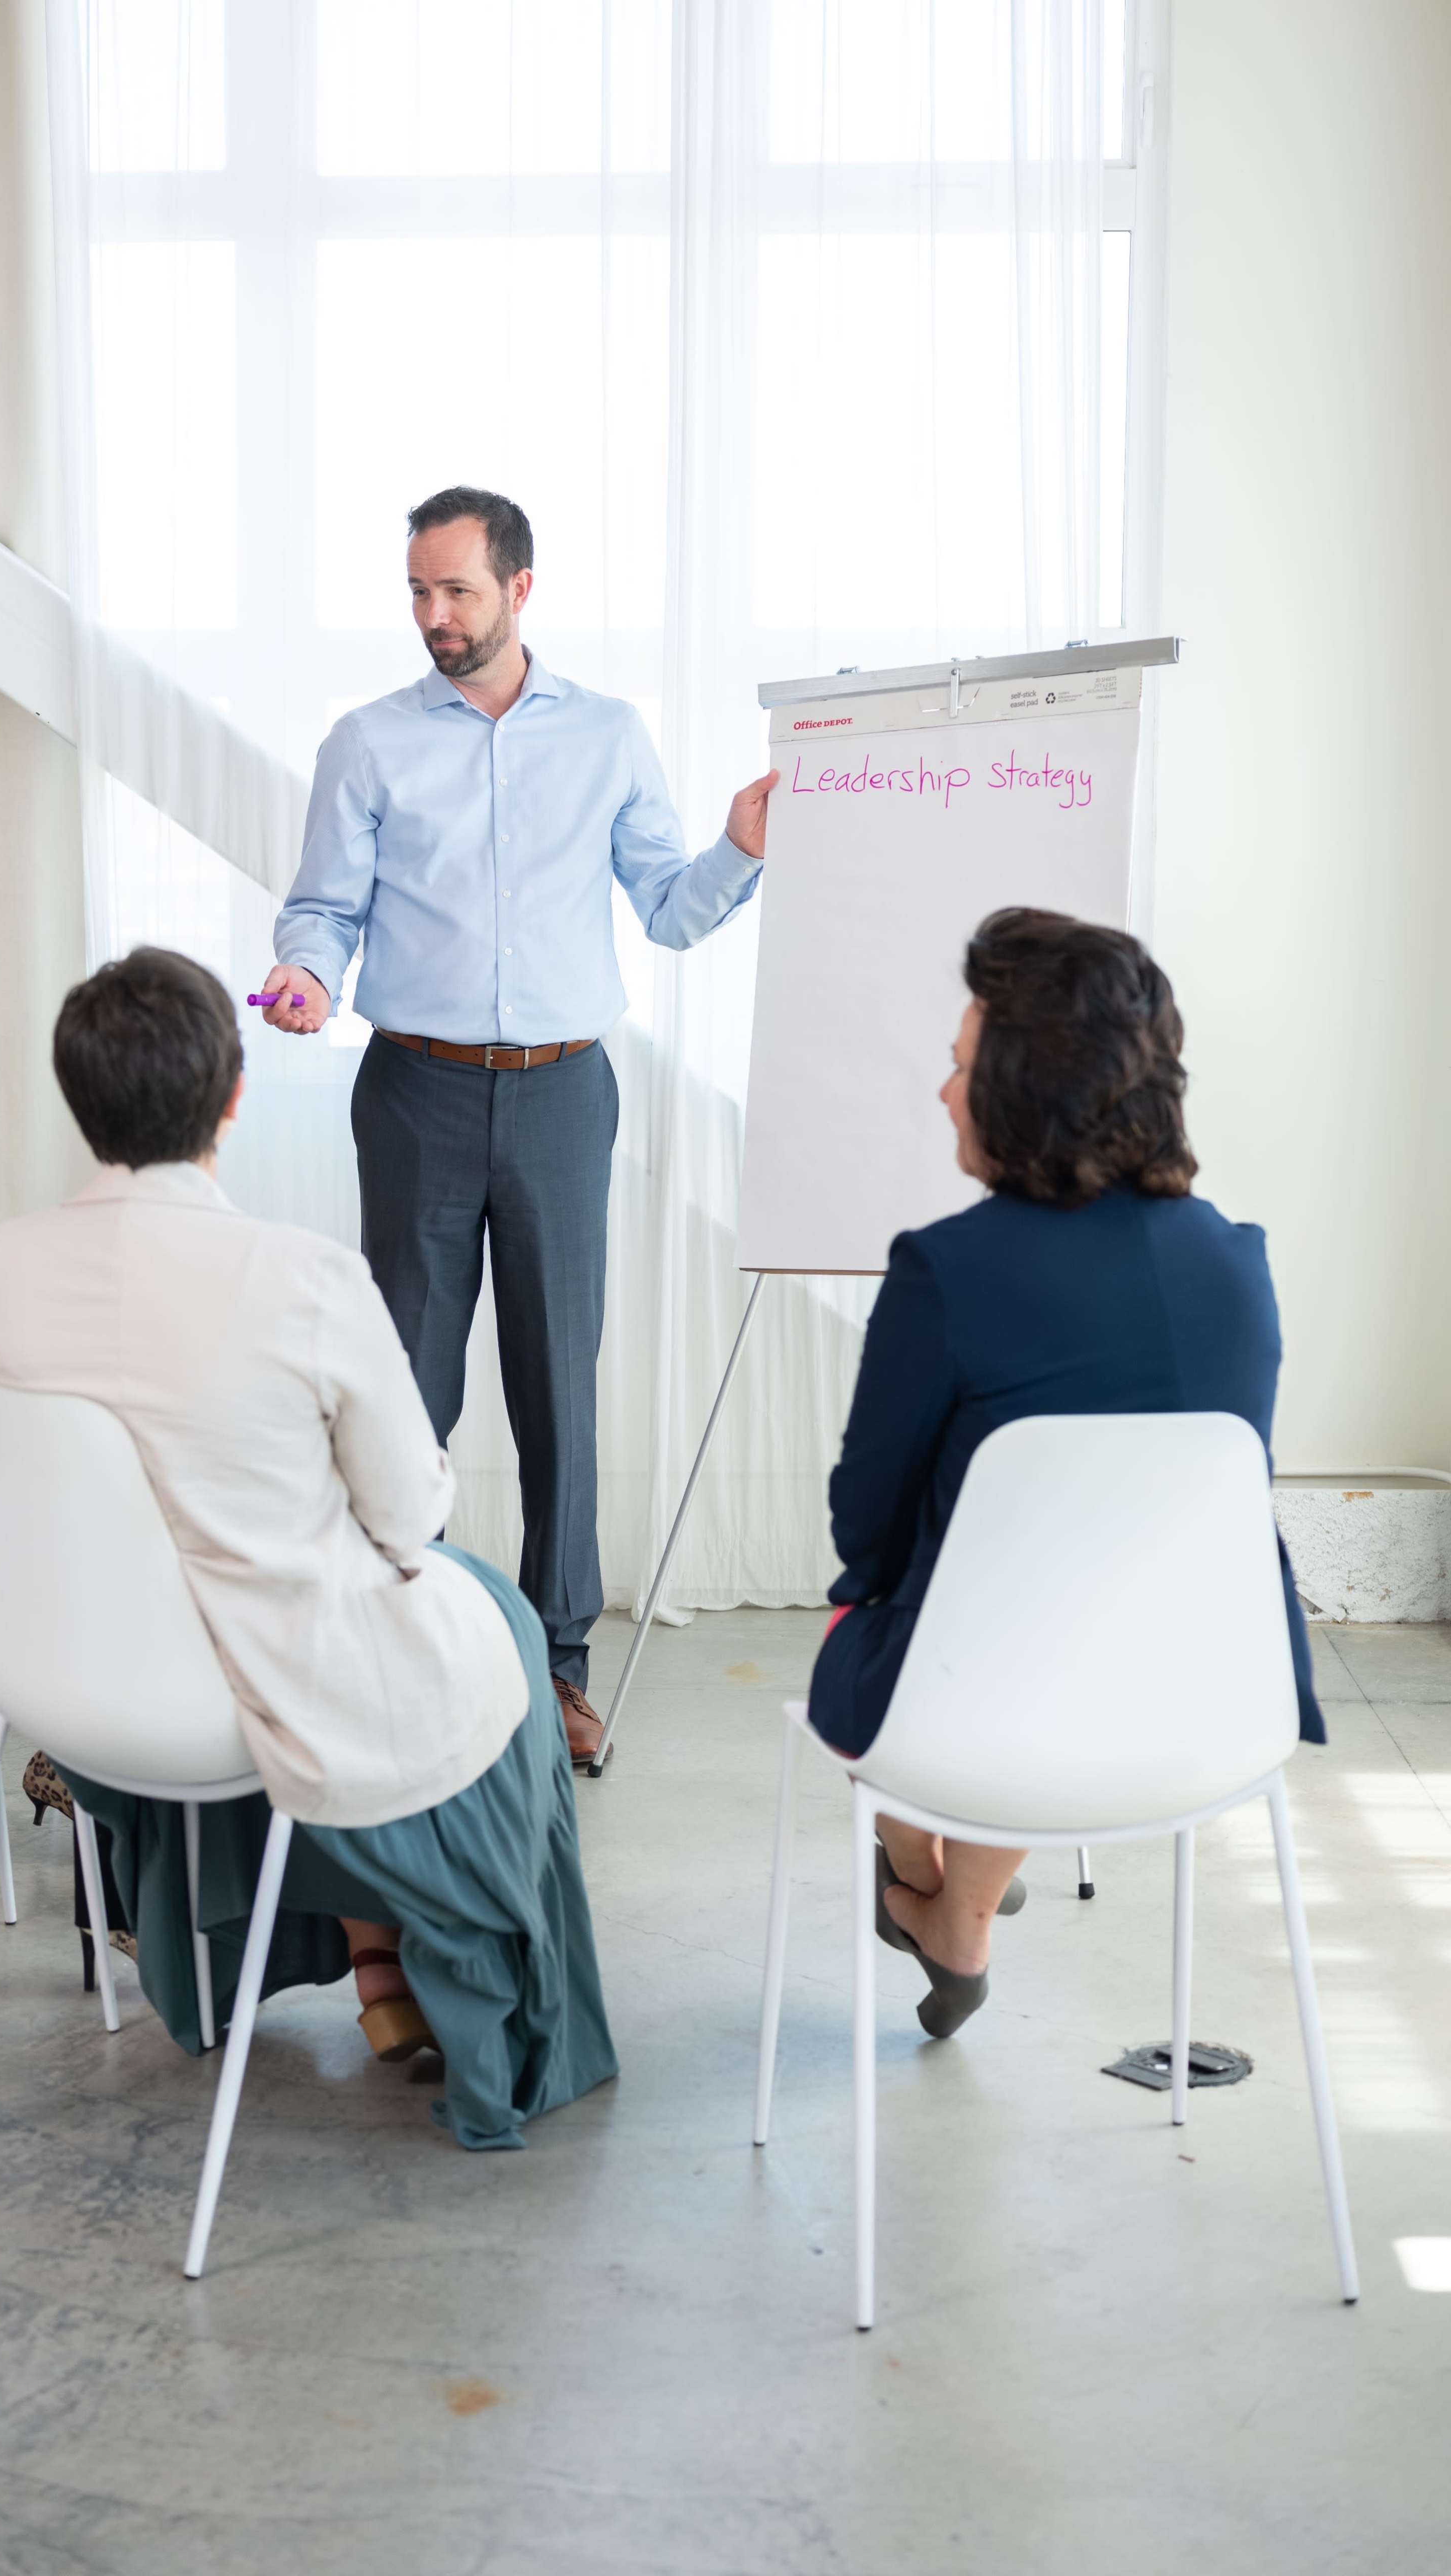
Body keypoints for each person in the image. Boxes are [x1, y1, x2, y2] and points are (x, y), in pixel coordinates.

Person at [0, 945, 617, 2150]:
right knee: (491, 1622)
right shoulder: (299, 1274)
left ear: (78, 1099)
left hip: (69, 1689)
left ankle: (369, 1958)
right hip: (246, 1695)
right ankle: (426, 1967)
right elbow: (408, 1513)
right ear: (234, 1094)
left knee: (295, 1605)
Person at [256, 486, 779, 1766]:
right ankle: (401, 1648)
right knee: (406, 1392)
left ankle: (559, 1669)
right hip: (417, 1089)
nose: (435, 617)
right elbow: (322, 907)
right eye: (420, 594)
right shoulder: (368, 741)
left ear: (521, 590)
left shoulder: (607, 736)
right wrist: (310, 975)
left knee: (559, 1388)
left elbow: (667, 909)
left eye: (459, 593)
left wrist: (737, 847)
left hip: (561, 1091)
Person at [808, 908, 1322, 2040]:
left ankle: (927, 1884)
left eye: (958, 1067)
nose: (945, 1092)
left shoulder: (948, 1270)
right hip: (1206, 1711)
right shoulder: (1239, 1266)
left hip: (978, 1716)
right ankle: (958, 1917)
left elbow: (866, 1532)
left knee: (898, 1624)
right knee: (1063, 1621)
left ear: (1021, 1085)